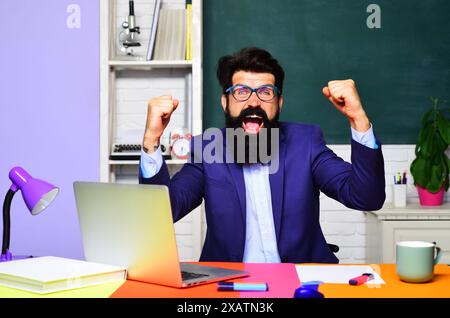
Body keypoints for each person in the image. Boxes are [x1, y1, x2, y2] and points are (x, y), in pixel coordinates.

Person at [139, 47, 385, 263]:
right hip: (229, 283)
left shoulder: (305, 142)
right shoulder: (208, 148)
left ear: (279, 103)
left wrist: (358, 118)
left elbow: (366, 198)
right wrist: (151, 140)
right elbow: (161, 215)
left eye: (266, 92)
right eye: (241, 92)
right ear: (225, 102)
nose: (254, 102)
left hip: (300, 282)